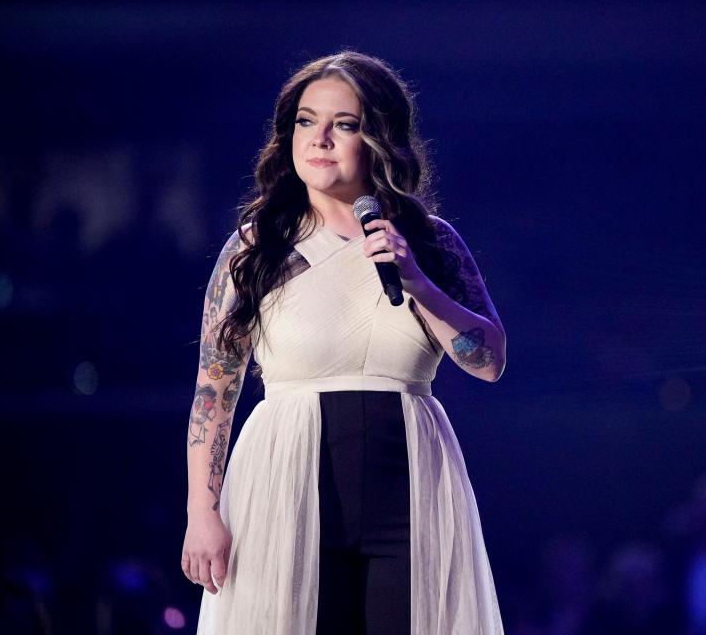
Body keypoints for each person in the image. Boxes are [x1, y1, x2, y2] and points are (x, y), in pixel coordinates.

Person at [180, 51, 507, 634]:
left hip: (409, 489)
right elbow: (214, 391)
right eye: (306, 122)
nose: (321, 139)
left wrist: (416, 282)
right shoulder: (254, 250)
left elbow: (488, 362)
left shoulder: (428, 242)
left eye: (345, 124)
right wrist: (201, 513)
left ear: (379, 138)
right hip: (285, 485)